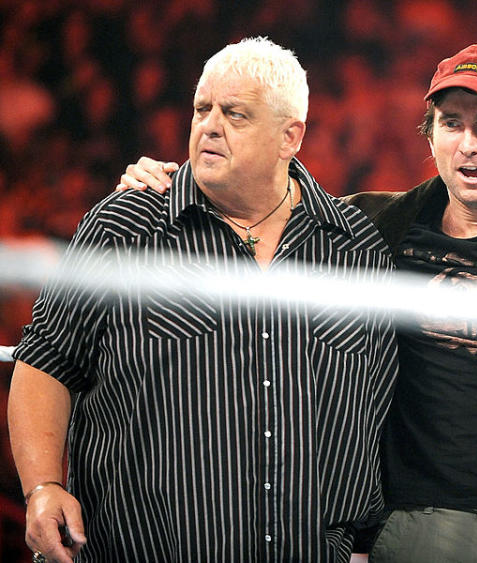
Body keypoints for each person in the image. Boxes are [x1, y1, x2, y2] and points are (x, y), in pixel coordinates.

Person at [117, 43, 477, 563]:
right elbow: (259, 208)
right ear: (429, 136)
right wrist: (174, 179)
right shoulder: (372, 225)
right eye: (450, 124)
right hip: (419, 521)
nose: (468, 143)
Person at [8, 37, 398, 562]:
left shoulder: (354, 248)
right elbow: (46, 362)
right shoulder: (127, 225)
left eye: (235, 114)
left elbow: (375, 412)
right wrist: (41, 487)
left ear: (290, 137)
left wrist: (362, 545)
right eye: (202, 109)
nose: (210, 126)